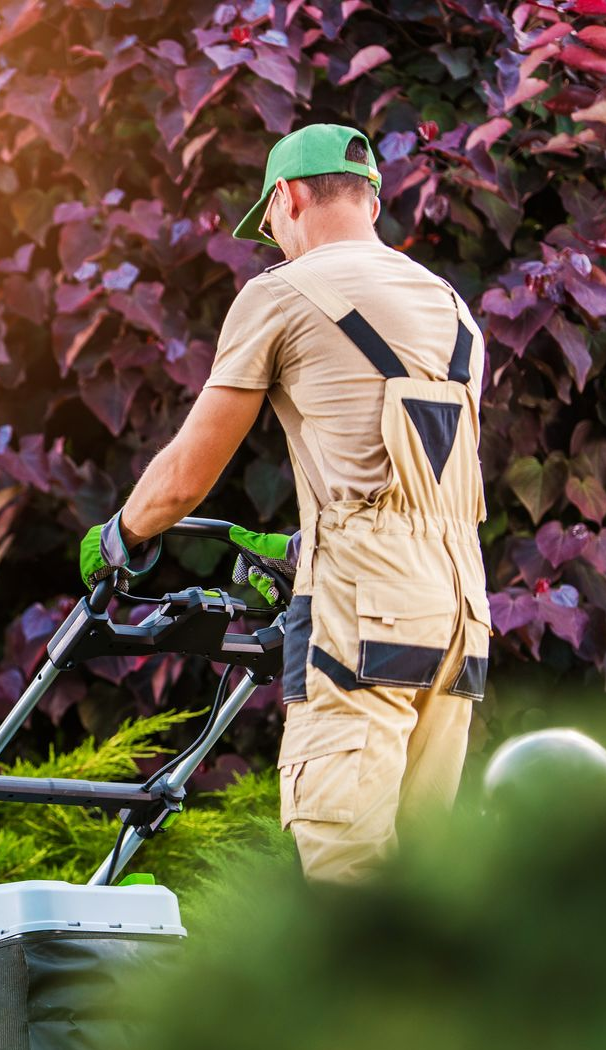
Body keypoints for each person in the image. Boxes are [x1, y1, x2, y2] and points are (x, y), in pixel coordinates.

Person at [79, 123, 490, 884]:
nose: (272, 238)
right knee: (424, 882)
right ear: (368, 198)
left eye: (269, 221)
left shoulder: (280, 295)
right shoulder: (450, 306)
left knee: (347, 865)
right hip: (460, 613)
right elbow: (413, 471)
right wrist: (306, 545)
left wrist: (120, 534)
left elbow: (183, 480)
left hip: (366, 612)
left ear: (289, 196)